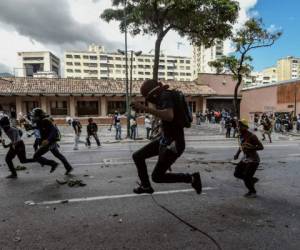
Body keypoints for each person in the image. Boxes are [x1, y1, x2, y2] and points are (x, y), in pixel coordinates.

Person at [131, 79, 202, 194]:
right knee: (137, 156)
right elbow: (168, 121)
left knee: (157, 177)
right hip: (166, 140)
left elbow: (169, 116)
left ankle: (192, 178)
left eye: (149, 98)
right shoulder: (165, 96)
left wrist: (143, 108)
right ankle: (145, 186)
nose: (150, 101)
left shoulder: (165, 96)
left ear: (152, 93)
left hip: (174, 144)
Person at [30, 108, 73, 175]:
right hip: (50, 142)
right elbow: (39, 128)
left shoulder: (45, 121)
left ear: (39, 116)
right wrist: (31, 128)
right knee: (58, 155)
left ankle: (53, 164)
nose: (33, 117)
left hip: (48, 143)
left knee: (36, 156)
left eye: (35, 116)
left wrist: (48, 140)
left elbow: (54, 130)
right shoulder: (40, 122)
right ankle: (68, 168)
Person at [234, 119, 264, 198]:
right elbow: (241, 146)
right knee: (237, 173)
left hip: (253, 160)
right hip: (245, 158)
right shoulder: (241, 135)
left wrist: (251, 147)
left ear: (245, 127)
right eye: (238, 126)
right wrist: (237, 154)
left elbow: (261, 147)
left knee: (247, 177)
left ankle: (252, 192)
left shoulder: (252, 136)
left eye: (240, 126)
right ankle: (252, 180)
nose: (238, 127)